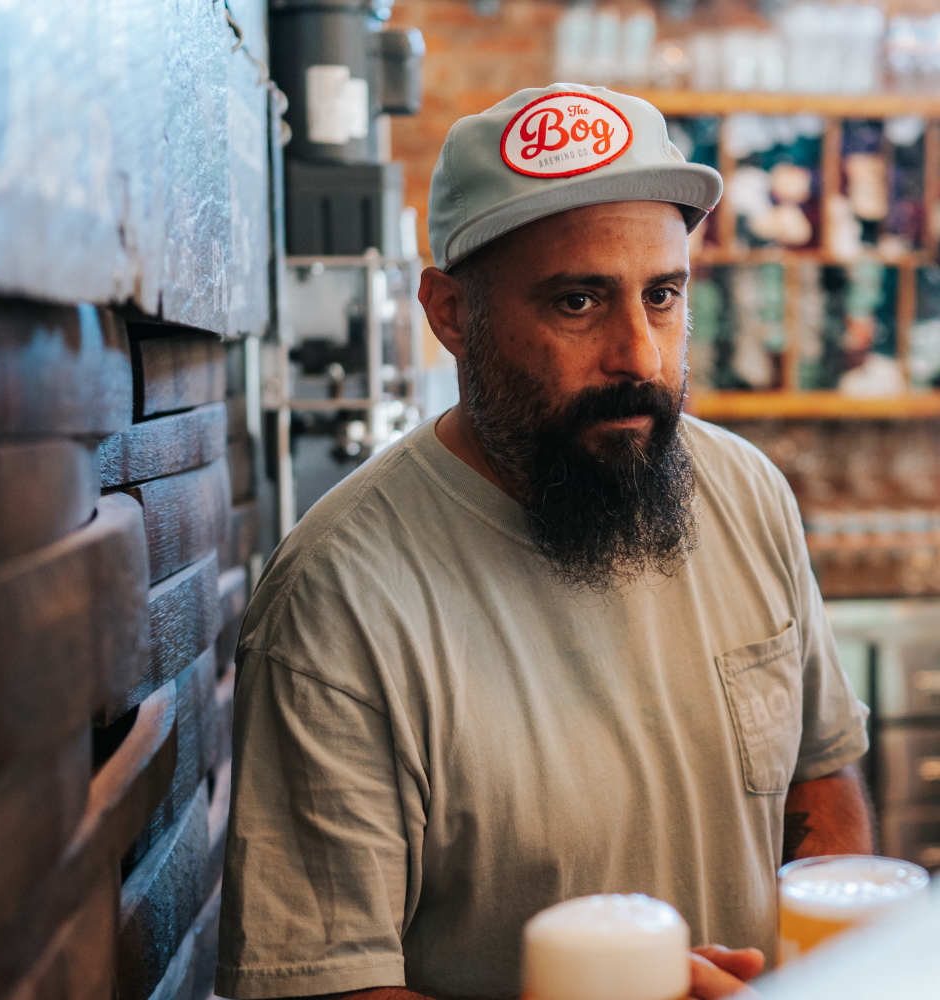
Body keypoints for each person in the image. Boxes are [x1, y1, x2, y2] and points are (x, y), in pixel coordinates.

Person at [215, 85, 871, 1000]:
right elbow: (320, 987)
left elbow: (819, 779)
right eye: (578, 301)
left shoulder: (746, 493)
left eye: (662, 296)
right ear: (450, 313)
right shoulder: (338, 602)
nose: (640, 354)